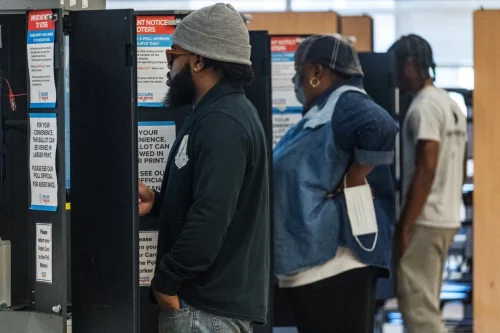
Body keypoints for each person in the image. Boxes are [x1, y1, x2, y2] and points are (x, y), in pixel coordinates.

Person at [138, 4, 270, 333]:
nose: (168, 68)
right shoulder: (216, 114)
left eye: (173, 57)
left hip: (205, 312)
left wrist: (165, 284)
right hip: (206, 309)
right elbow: (211, 199)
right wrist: (159, 203)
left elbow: (211, 215)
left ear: (198, 60)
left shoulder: (223, 121)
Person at [273, 34, 399, 333]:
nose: (295, 79)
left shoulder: (347, 103)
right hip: (314, 264)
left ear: (317, 72)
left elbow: (380, 124)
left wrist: (356, 175)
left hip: (336, 264)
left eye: (299, 70)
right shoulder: (322, 111)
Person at [389, 34, 467, 333]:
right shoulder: (451, 104)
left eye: (396, 67)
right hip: (446, 216)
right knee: (427, 304)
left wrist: (405, 225)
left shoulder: (424, 107)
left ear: (409, 65)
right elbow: (458, 164)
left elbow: (427, 167)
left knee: (418, 311)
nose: (394, 75)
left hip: (425, 219)